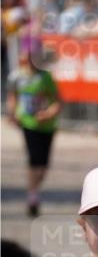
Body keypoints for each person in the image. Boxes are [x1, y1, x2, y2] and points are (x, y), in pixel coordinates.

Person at [6, 43, 60, 218]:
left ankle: (34, 189)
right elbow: (12, 97)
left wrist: (48, 114)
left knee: (43, 167)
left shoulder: (45, 77)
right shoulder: (16, 77)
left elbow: (57, 101)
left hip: (47, 125)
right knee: (34, 160)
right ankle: (32, 197)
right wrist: (12, 114)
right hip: (28, 123)